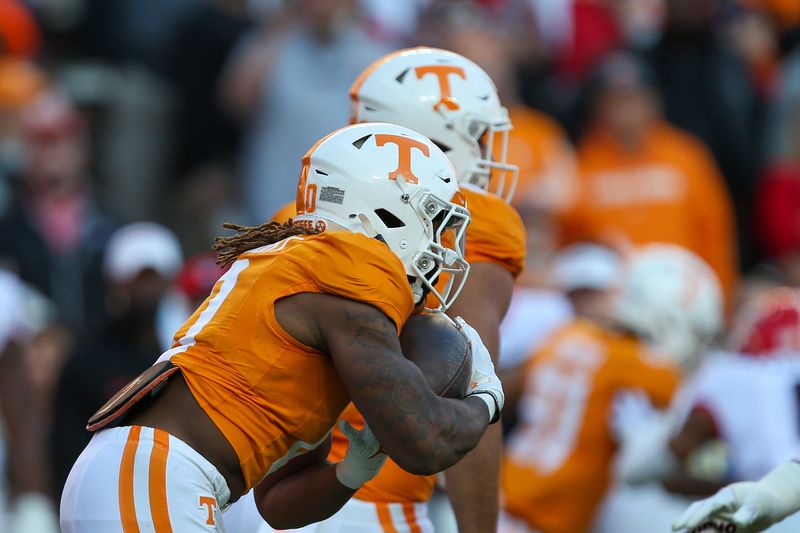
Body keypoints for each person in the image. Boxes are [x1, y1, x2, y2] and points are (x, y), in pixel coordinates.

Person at [59, 122, 504, 532]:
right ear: (385, 214)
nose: (441, 246)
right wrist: (486, 399)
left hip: (141, 473)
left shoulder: (311, 271)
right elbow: (423, 442)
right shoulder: (349, 273)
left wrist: (351, 473)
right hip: (156, 475)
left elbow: (277, 502)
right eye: (435, 222)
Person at [250, 47, 524, 533]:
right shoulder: (472, 222)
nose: (486, 155)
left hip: (264, 495)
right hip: (367, 502)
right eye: (477, 137)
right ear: (435, 138)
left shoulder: (294, 217)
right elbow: (473, 391)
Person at [500, 244, 723, 533]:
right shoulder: (648, 372)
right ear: (666, 316)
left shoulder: (567, 334)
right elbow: (642, 468)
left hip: (502, 500)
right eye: (697, 332)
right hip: (547, 521)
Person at [562, 52, 738, 309]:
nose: (626, 109)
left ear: (653, 100)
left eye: (633, 98)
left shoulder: (686, 155)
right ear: (597, 106)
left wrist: (722, 301)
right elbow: (570, 249)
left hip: (686, 302)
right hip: (614, 311)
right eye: (615, 100)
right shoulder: (579, 164)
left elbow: (717, 236)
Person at [51, 222, 183, 492]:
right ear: (115, 281)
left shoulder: (184, 345)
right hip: (108, 491)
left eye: (154, 278)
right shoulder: (87, 358)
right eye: (137, 279)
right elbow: (67, 445)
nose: (147, 290)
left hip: (174, 486)